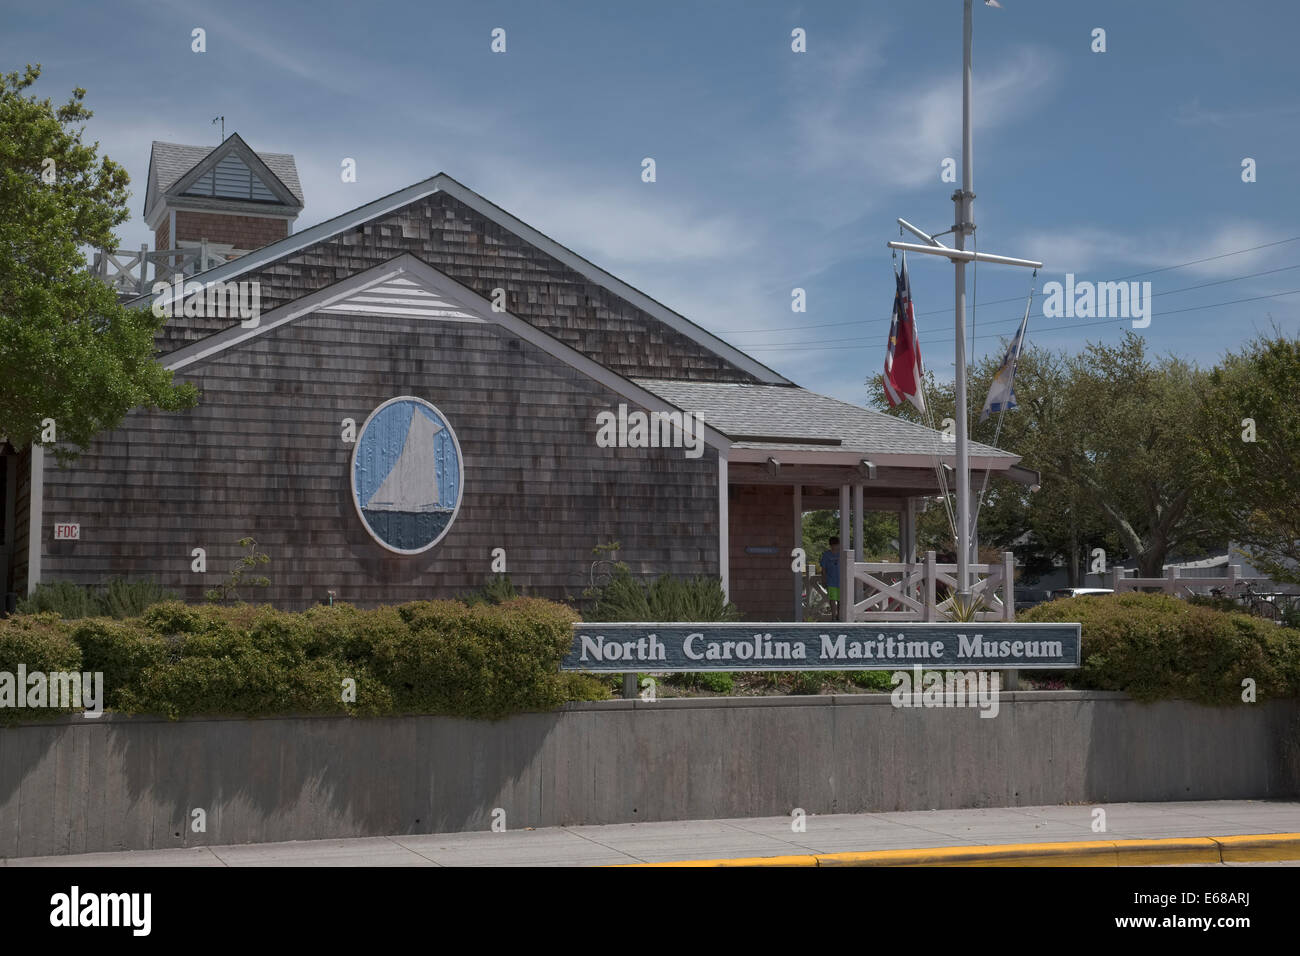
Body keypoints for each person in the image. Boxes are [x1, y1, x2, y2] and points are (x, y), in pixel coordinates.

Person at [820, 536, 842, 618]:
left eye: (836, 545)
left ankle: (839, 616)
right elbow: (823, 569)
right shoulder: (826, 555)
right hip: (831, 581)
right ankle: (833, 616)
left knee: (840, 600)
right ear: (830, 545)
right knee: (832, 599)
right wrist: (824, 580)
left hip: (841, 581)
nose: (835, 547)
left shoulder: (842, 554)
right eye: (832, 545)